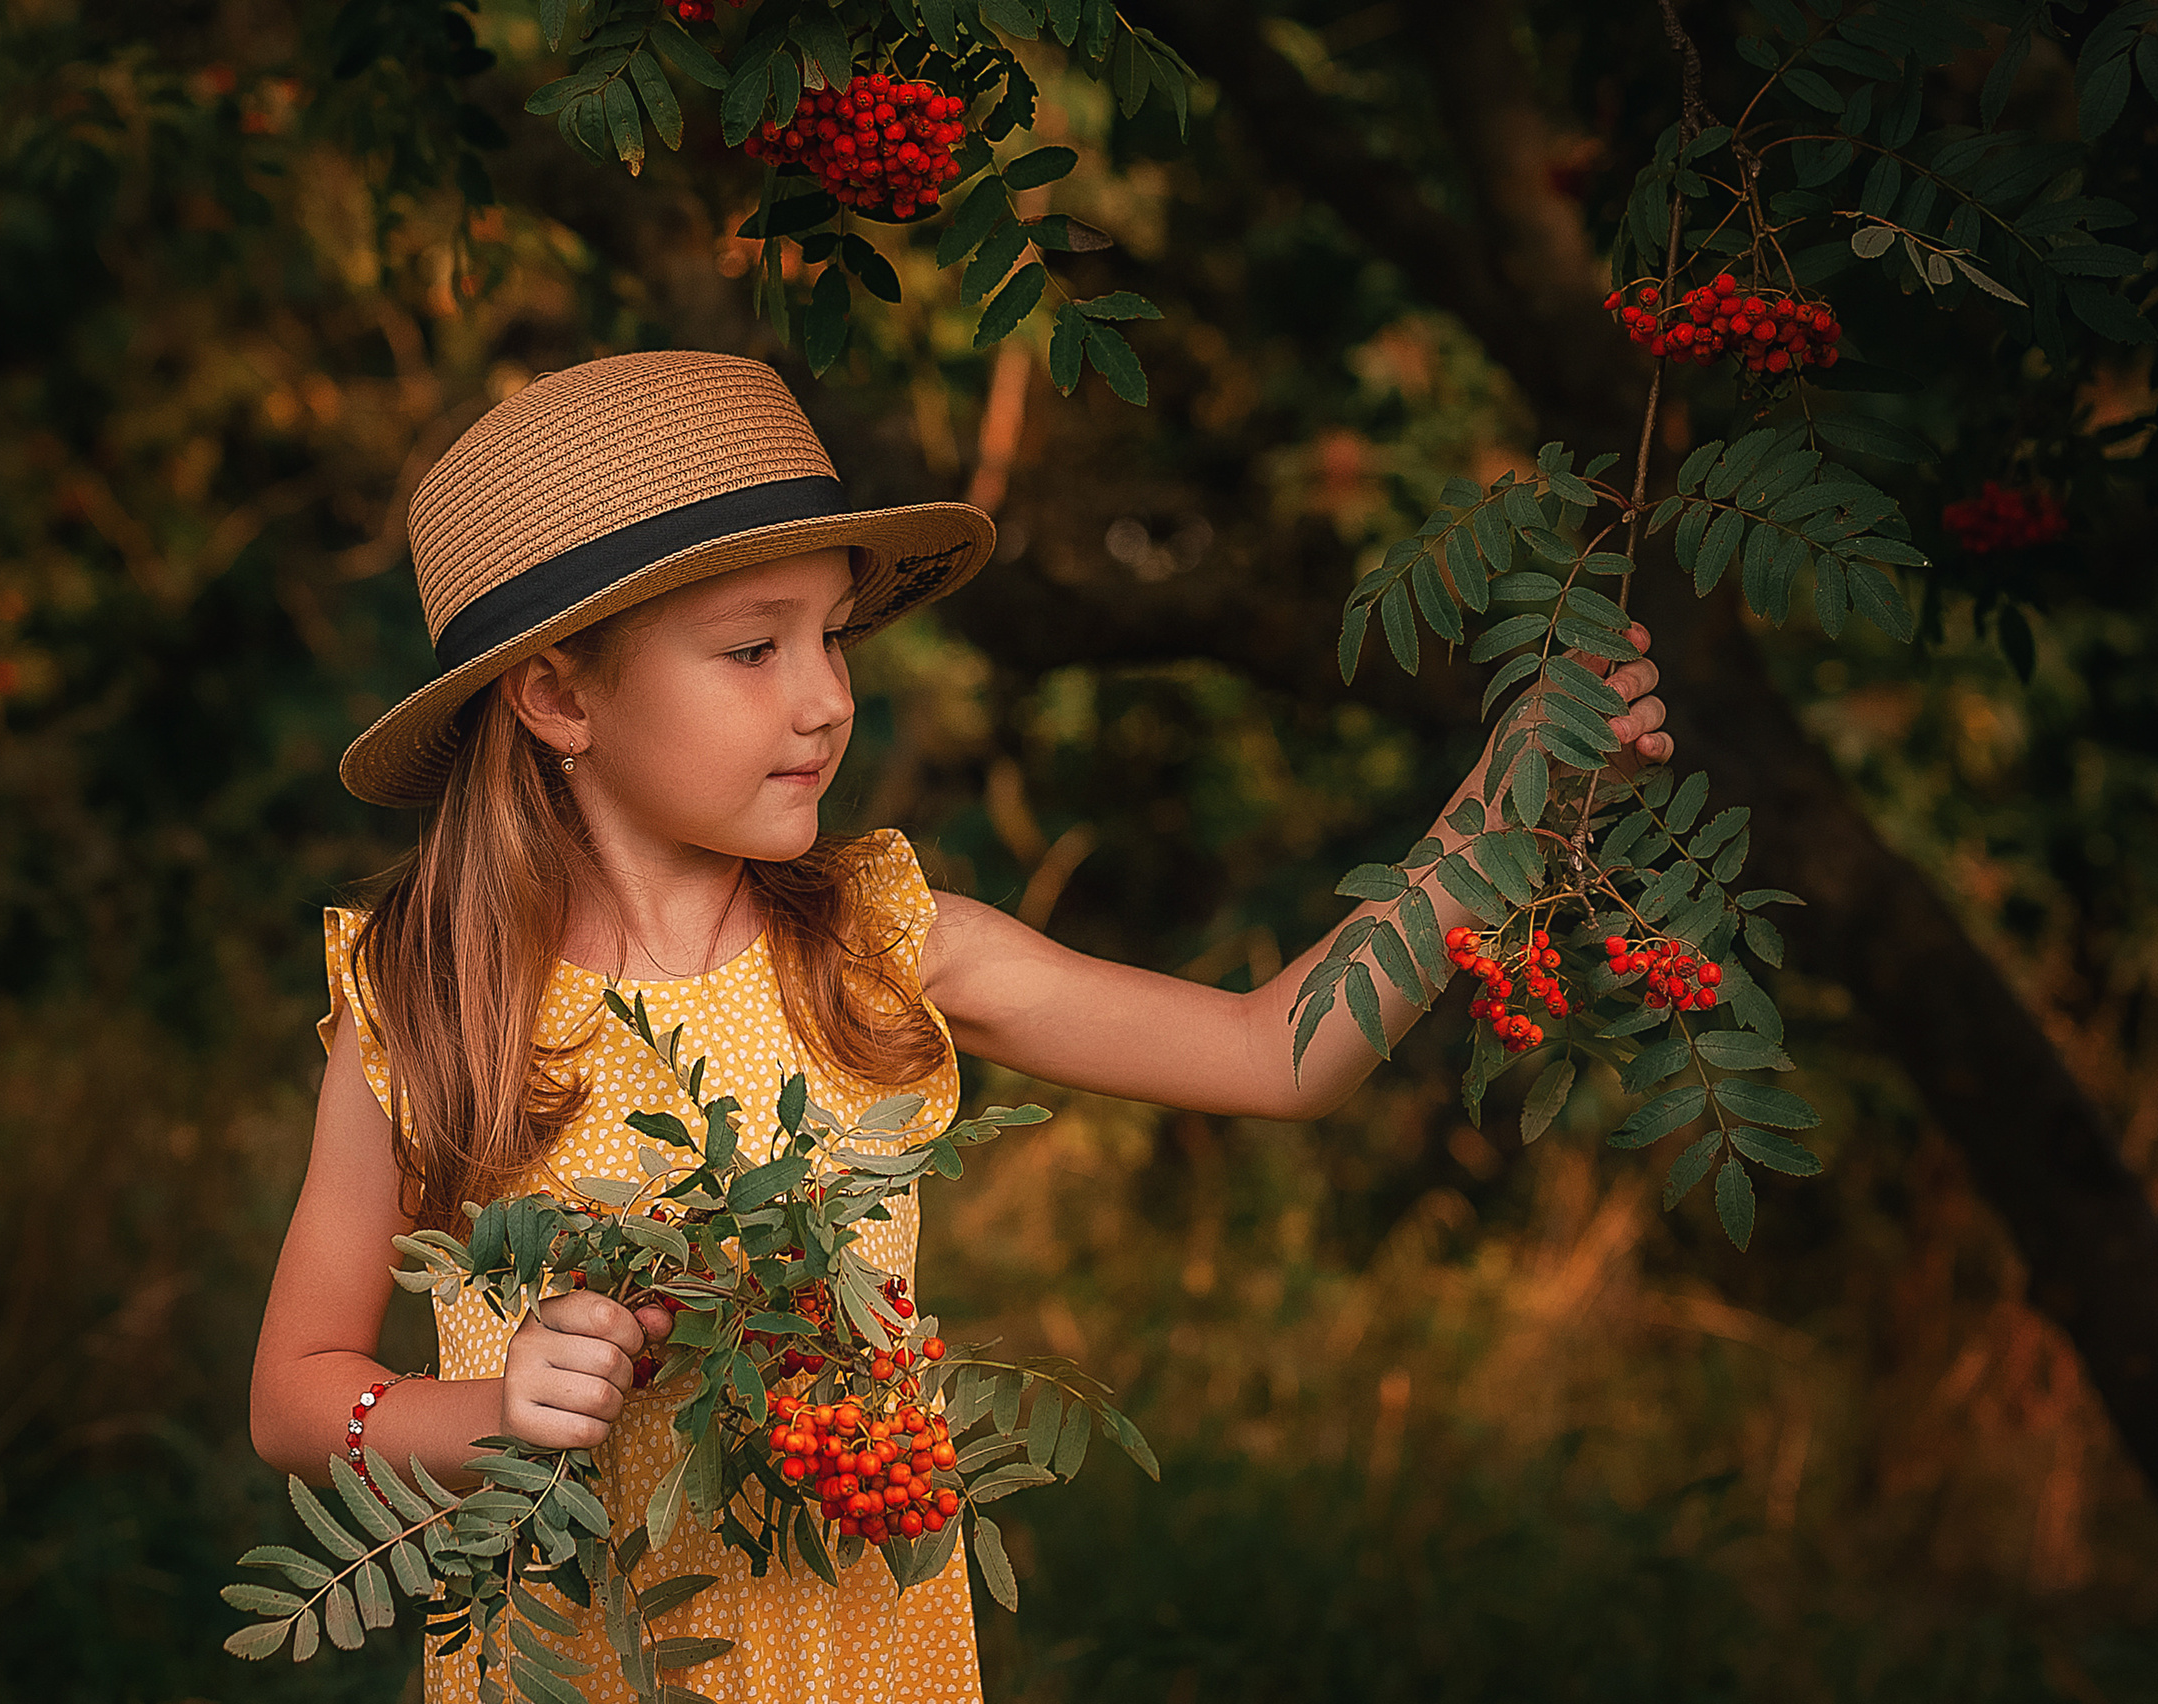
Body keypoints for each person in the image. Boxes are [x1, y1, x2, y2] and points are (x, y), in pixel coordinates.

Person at [247, 350, 1671, 1702]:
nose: (825, 698)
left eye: (831, 637)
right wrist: (491, 1409)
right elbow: (297, 1397)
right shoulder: (424, 1005)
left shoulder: (882, 948)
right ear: (558, 695)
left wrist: (1507, 804)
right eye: (753, 649)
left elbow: (1274, 1052)